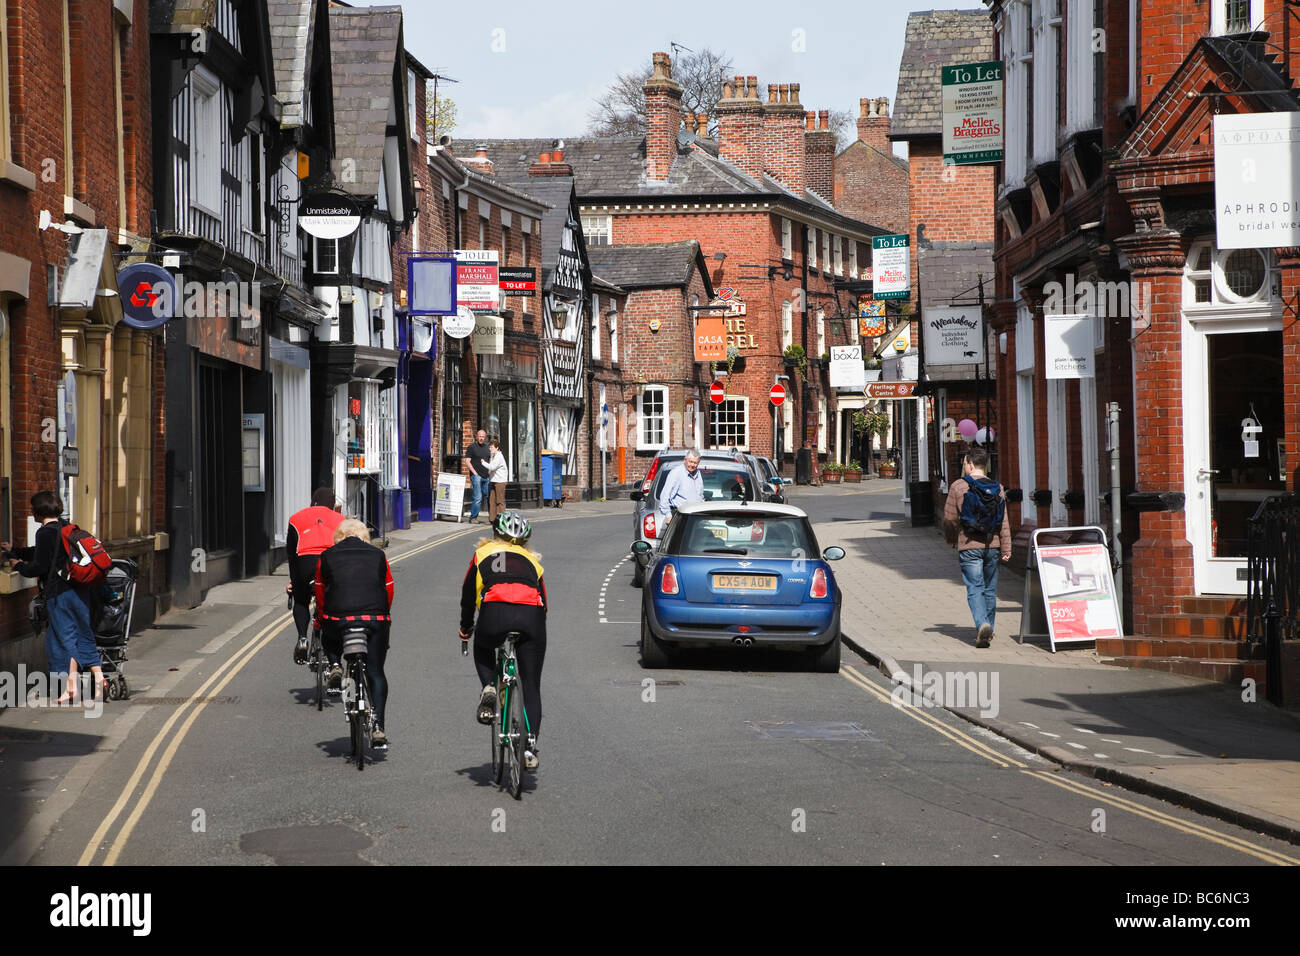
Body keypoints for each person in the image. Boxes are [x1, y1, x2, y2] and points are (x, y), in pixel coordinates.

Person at [458, 510, 546, 772]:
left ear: (495, 534)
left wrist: (466, 628)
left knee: (483, 646)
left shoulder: (481, 555)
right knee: (531, 685)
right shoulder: (533, 561)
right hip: (532, 618)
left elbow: (466, 595)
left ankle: (488, 687)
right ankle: (529, 747)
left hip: (494, 614)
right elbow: (544, 600)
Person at [1, 491, 102, 704]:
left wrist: (18, 566)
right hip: (80, 591)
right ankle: (93, 679)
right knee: (81, 634)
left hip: (60, 594)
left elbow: (40, 564)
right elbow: (43, 552)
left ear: (37, 512)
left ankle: (71, 687)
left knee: (63, 639)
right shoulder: (66, 527)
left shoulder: (45, 532)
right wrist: (15, 551)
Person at [313, 519, 395, 749]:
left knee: (328, 637)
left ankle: (335, 664)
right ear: (365, 537)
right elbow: (388, 588)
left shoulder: (326, 557)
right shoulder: (378, 555)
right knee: (376, 672)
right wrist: (384, 616)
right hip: (375, 619)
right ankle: (378, 726)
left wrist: (320, 619)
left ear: (338, 537)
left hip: (338, 619)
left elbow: (320, 594)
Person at [943, 446, 1012, 648]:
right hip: (993, 545)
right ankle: (988, 628)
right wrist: (1006, 548)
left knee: (975, 588)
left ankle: (982, 624)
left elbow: (949, 519)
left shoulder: (958, 486)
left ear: (971, 463)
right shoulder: (998, 488)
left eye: (964, 463)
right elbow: (1004, 522)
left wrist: (951, 539)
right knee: (990, 590)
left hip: (969, 545)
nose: (964, 466)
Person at [285, 488, 345, 664]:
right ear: (332, 505)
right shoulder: (340, 520)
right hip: (329, 562)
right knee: (331, 603)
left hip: (305, 563)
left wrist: (294, 581)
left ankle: (302, 638)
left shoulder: (296, 518)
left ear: (313, 501)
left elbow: (291, 553)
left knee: (301, 599)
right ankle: (331, 652)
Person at [657, 449, 704, 527]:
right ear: (685, 460)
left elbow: (700, 495)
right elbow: (665, 495)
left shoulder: (697, 473)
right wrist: (668, 515)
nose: (692, 465)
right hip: (681, 516)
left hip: (695, 517)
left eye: (695, 463)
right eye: (690, 462)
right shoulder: (676, 473)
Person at [464, 428, 491, 523]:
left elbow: (490, 461)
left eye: (483, 436)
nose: (481, 438)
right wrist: (474, 473)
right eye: (480, 436)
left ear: (485, 437)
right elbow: (467, 461)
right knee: (478, 497)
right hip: (476, 476)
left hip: (486, 476)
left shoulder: (488, 447)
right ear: (476, 437)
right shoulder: (472, 447)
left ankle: (491, 518)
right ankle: (473, 518)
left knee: (490, 497)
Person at [486, 437, 509, 525]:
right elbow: (490, 469)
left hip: (500, 481)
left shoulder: (499, 456)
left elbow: (492, 467)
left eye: (491, 447)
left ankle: (501, 520)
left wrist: (483, 463)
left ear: (497, 448)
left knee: (500, 501)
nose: (490, 448)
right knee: (492, 500)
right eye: (490, 447)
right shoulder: (493, 456)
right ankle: (492, 519)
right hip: (493, 481)